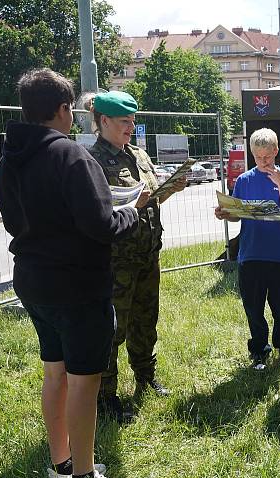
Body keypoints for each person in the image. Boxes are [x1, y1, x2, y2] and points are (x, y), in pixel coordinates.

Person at [0, 68, 140, 478]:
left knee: (54, 373)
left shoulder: (10, 157)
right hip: (78, 285)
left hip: (33, 281)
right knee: (84, 380)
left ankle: (60, 469)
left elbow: (12, 220)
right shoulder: (72, 156)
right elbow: (101, 225)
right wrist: (134, 210)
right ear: (63, 109)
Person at [86, 91, 187, 422]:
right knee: (114, 328)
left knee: (146, 317)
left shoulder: (139, 155)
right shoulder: (93, 161)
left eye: (133, 121)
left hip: (147, 254)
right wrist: (135, 203)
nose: (131, 127)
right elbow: (99, 212)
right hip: (116, 262)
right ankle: (106, 396)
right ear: (104, 122)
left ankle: (145, 374)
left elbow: (149, 198)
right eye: (124, 122)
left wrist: (168, 188)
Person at [215, 128, 280, 370]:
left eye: (268, 157)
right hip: (251, 254)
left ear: (276, 151)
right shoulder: (244, 180)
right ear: (252, 154)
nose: (264, 162)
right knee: (253, 308)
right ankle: (259, 352)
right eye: (258, 157)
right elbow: (236, 215)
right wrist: (225, 214)